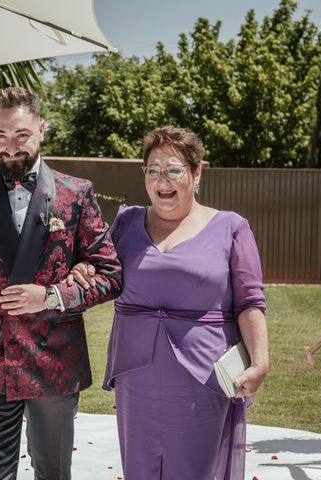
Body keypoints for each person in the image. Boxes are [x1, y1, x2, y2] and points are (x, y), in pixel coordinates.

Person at [0, 87, 122, 480]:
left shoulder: (76, 194)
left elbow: (110, 274)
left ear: (41, 130)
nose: (10, 147)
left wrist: (53, 295)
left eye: (20, 135)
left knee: (53, 472)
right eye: (0, 136)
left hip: (54, 360)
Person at [83, 126, 268, 480]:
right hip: (136, 375)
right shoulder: (125, 221)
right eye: (153, 170)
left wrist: (259, 362)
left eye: (173, 170)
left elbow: (249, 301)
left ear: (197, 173)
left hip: (202, 374)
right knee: (140, 469)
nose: (162, 180)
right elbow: (97, 272)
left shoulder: (231, 227)